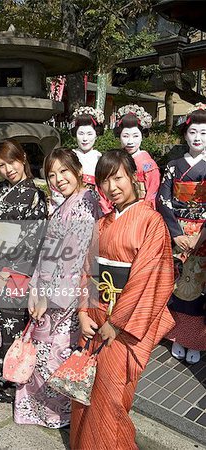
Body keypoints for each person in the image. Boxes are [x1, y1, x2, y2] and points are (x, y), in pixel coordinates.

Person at [70, 149, 175, 450]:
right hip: (95, 316)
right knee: (86, 390)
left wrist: (116, 324)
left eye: (118, 178)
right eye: (105, 181)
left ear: (132, 176)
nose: (112, 187)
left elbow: (147, 279)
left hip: (124, 326)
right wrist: (82, 313)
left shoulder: (150, 222)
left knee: (112, 398)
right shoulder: (101, 223)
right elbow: (87, 271)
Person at [14, 147, 101, 428]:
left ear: (77, 170)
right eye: (52, 175)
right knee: (41, 354)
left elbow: (74, 262)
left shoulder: (86, 203)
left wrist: (46, 298)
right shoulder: (66, 203)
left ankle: (57, 414)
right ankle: (41, 411)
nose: (58, 179)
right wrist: (35, 290)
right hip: (48, 289)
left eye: (64, 171)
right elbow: (46, 253)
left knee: (54, 355)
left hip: (66, 295)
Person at [0, 138, 47, 402]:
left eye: (11, 161)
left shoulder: (35, 196)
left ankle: (4, 379)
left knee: (7, 323)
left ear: (22, 157)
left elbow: (32, 240)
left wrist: (4, 273)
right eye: (1, 165)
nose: (8, 169)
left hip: (11, 273)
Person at [157, 104, 206, 364]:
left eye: (204, 133)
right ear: (185, 134)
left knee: (198, 288)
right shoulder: (174, 164)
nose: (197, 137)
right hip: (178, 233)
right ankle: (175, 335)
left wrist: (201, 236)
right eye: (193, 132)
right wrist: (175, 233)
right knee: (175, 285)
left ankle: (196, 339)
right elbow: (163, 199)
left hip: (203, 236)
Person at [114, 104, 160, 207]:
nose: (130, 141)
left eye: (135, 136)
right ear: (119, 136)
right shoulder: (115, 160)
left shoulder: (148, 165)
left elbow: (152, 193)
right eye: (125, 136)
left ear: (142, 136)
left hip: (141, 210)